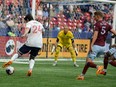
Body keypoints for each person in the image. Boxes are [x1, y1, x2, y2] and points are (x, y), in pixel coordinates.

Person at [77, 11, 116, 80]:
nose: (94, 18)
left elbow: (95, 35)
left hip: (96, 46)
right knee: (90, 61)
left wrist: (91, 45)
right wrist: (113, 35)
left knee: (88, 62)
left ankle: (98, 67)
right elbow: (115, 32)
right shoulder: (107, 24)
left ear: (98, 16)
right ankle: (82, 75)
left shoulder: (97, 24)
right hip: (103, 47)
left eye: (94, 16)